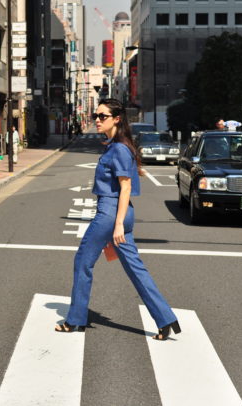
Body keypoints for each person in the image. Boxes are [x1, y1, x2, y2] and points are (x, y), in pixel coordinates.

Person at [54, 98, 181, 341]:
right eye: (96, 116)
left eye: (103, 116)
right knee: (135, 268)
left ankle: (75, 320)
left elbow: (125, 187)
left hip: (112, 213)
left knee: (83, 261)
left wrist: (118, 223)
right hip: (118, 212)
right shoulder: (116, 145)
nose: (98, 120)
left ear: (117, 119)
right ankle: (165, 319)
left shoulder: (120, 149)